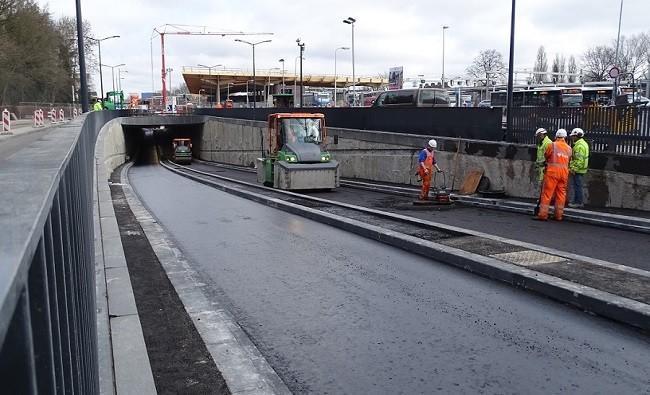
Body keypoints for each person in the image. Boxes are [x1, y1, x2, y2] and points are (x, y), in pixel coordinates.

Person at [535, 129, 572, 221]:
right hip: (564, 173)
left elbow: (547, 155)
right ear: (565, 137)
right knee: (561, 194)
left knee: (547, 193)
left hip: (552, 172)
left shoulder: (552, 145)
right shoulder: (569, 148)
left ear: (556, 136)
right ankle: (558, 215)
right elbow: (569, 159)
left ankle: (543, 215)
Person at [569, 128, 589, 208]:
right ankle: (576, 201)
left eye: (573, 136)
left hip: (578, 170)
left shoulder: (579, 146)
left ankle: (578, 202)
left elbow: (579, 160)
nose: (572, 138)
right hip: (581, 169)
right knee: (578, 186)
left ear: (577, 136)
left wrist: (574, 169)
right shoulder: (582, 143)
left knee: (578, 186)